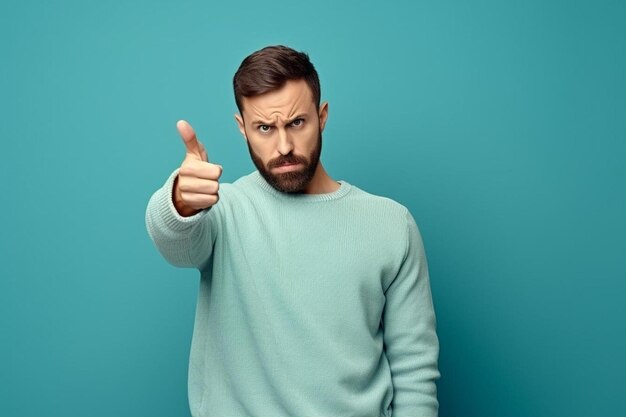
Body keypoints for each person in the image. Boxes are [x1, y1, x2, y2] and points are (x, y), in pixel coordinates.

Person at [146, 45, 440, 417]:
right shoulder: (224, 211)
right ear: (243, 129)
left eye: (296, 123)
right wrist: (180, 200)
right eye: (265, 128)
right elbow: (175, 244)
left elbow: (415, 373)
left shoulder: (391, 224)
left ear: (322, 116)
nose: (283, 146)